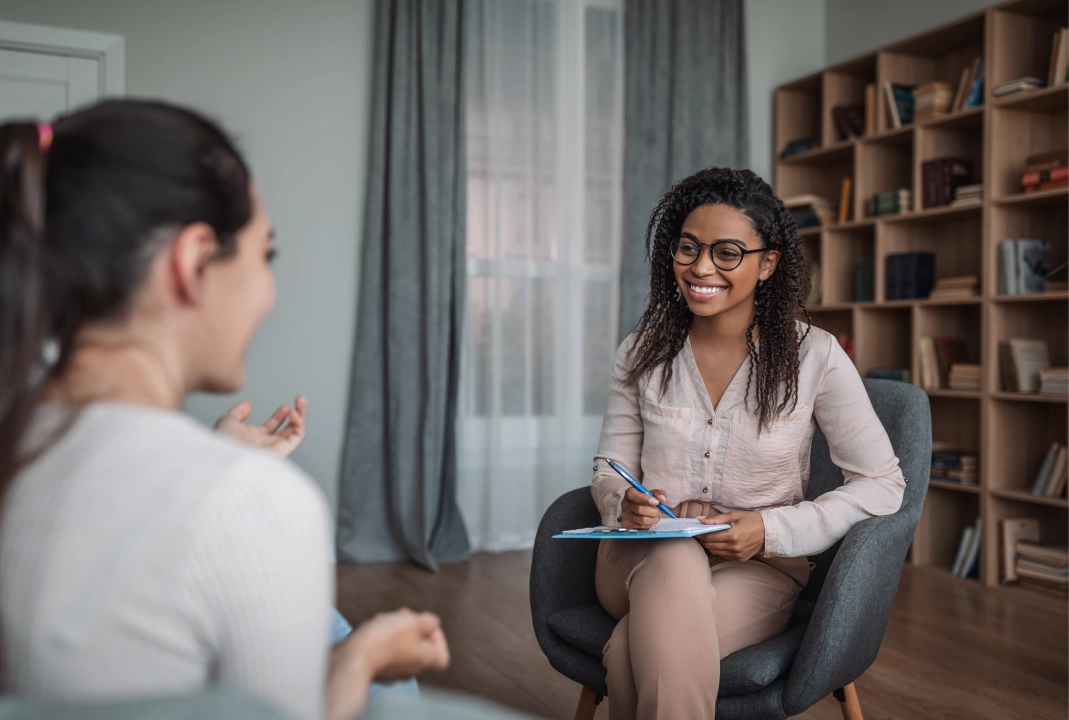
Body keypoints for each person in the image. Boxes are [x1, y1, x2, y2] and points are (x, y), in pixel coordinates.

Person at [0, 100, 447, 720]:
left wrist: (217, 456)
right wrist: (364, 657)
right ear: (194, 263)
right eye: (267, 254)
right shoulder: (255, 503)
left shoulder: (19, 440)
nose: (267, 288)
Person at [590, 167, 906, 720]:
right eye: (688, 248)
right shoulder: (640, 353)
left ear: (768, 263)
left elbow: (884, 483)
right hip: (637, 554)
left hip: (760, 567)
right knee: (673, 559)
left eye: (727, 252)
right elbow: (609, 467)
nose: (701, 267)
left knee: (627, 653)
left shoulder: (817, 357)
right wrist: (624, 501)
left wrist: (772, 528)